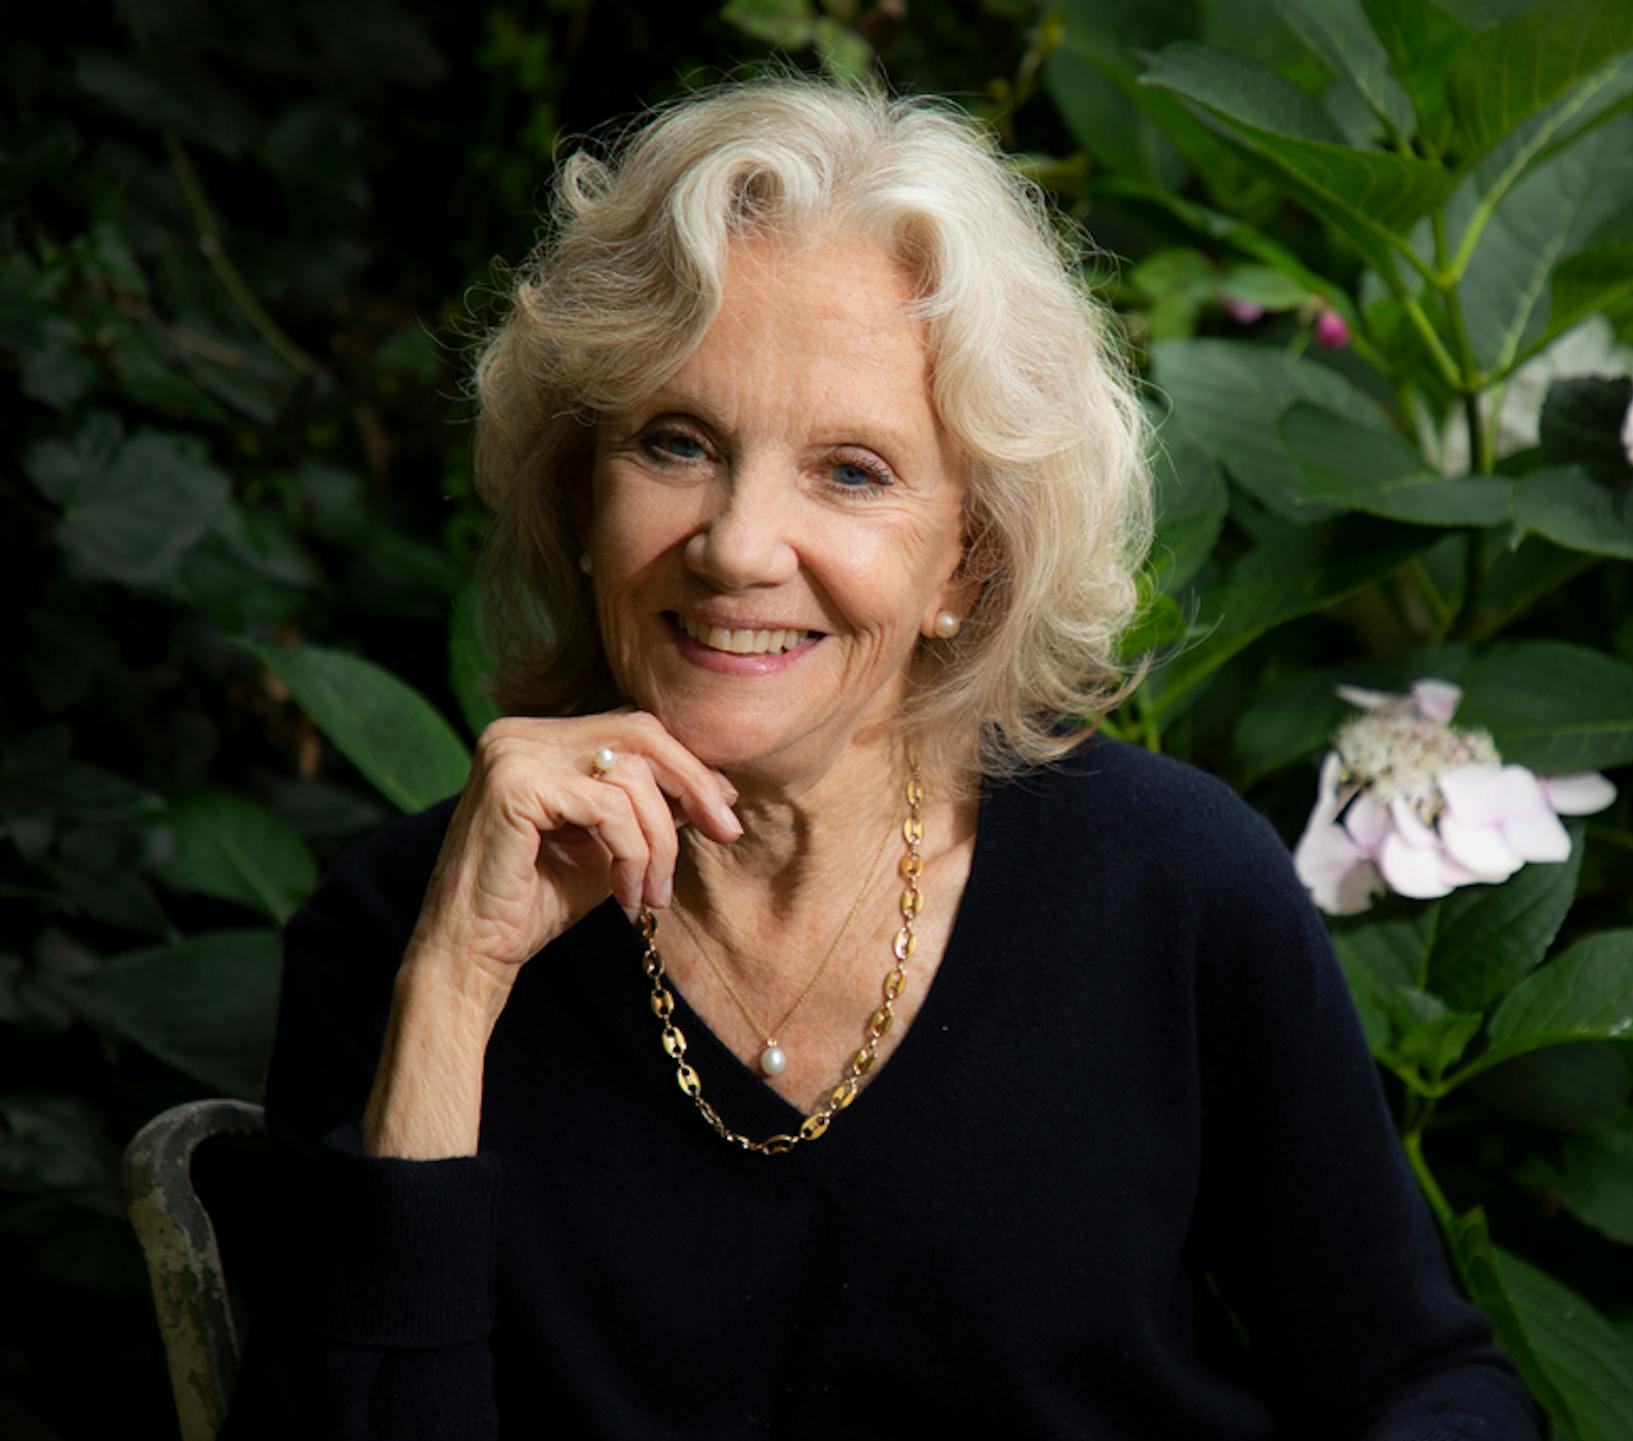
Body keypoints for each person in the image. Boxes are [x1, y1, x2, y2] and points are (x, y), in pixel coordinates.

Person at [222, 68, 1537, 1440]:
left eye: (851, 470)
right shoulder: (402, 934)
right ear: (581, 490)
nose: (736, 544)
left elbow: (1423, 1381)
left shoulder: (1173, 886)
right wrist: (454, 987)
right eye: (677, 442)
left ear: (964, 558)